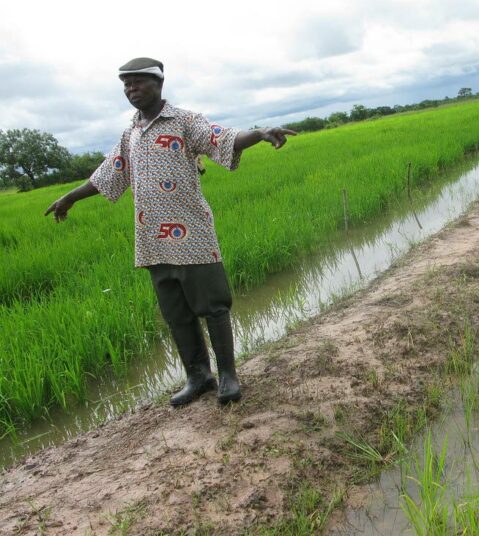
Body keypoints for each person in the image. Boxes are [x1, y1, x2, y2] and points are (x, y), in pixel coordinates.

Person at [45, 58, 297, 407]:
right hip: (152, 240)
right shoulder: (130, 133)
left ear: (158, 84)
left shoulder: (183, 121)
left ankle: (227, 375)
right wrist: (69, 198)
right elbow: (108, 173)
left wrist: (259, 133)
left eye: (138, 83)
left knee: (213, 304)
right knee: (176, 313)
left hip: (192, 233)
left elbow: (220, 138)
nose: (131, 90)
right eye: (126, 85)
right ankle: (198, 376)